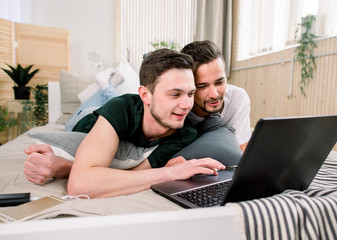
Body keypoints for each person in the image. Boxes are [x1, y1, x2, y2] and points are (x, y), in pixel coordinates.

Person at [24, 49, 225, 197]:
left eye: (190, 94)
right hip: (83, 118)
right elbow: (80, 185)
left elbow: (131, 175)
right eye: (175, 94)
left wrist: (66, 168)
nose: (186, 105)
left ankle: (108, 86)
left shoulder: (184, 132)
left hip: (131, 107)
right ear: (145, 94)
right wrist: (170, 172)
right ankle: (105, 85)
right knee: (103, 103)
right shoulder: (120, 108)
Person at [181, 40, 251, 152]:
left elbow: (241, 151)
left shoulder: (237, 97)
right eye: (202, 86)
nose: (214, 94)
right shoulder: (179, 107)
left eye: (219, 82)